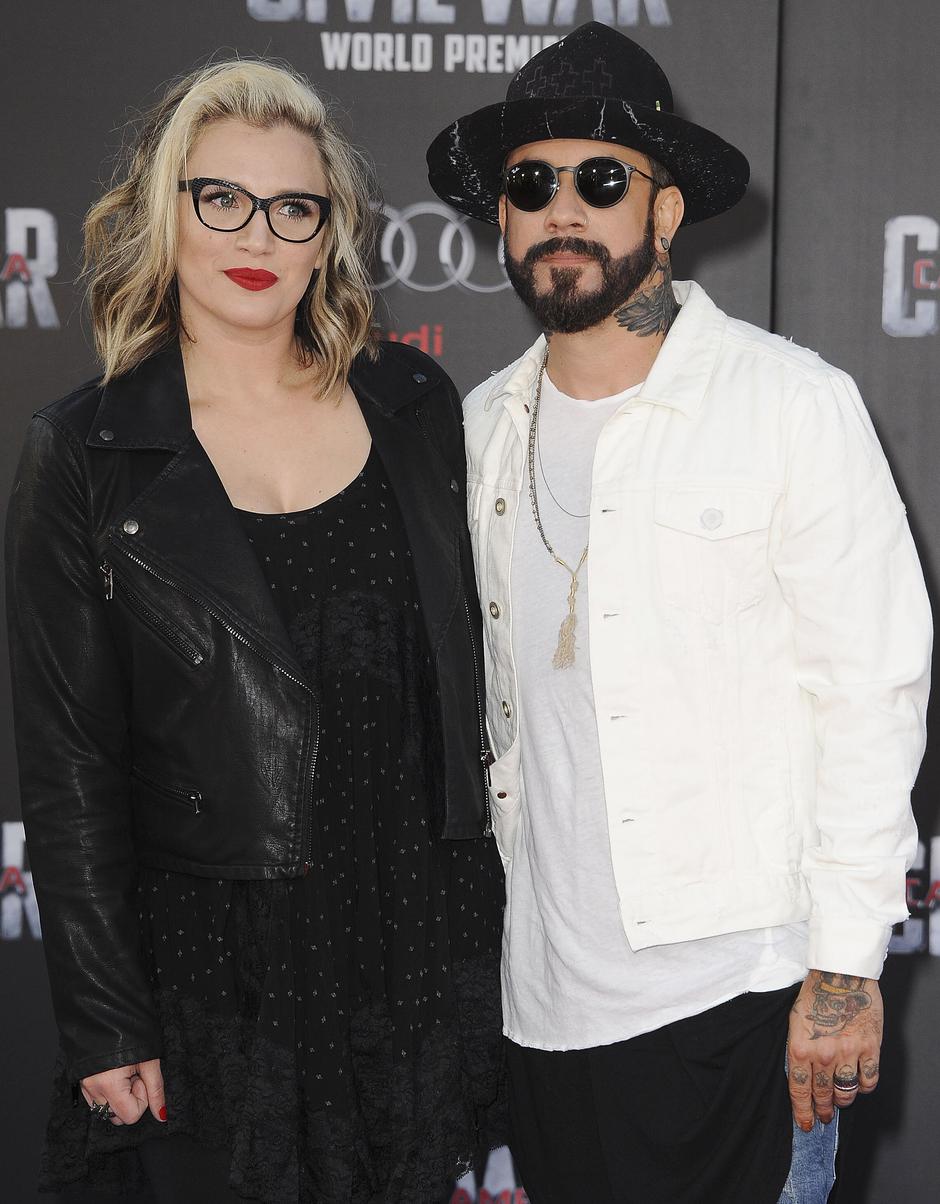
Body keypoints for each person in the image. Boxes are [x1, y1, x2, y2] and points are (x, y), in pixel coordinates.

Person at [426, 22, 931, 1204]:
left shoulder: (789, 405)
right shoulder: (478, 430)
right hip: (544, 1009)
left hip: (742, 997)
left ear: (663, 212)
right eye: (530, 183)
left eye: (601, 180)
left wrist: (842, 973)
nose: (562, 208)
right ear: (500, 218)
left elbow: (869, 691)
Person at [6, 59, 506, 1204]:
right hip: (208, 960)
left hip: (407, 938)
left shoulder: (412, 405)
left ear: (329, 235)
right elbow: (71, 769)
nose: (257, 236)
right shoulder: (85, 451)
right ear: (165, 211)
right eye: (221, 198)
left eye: (294, 208)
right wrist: (105, 1018)